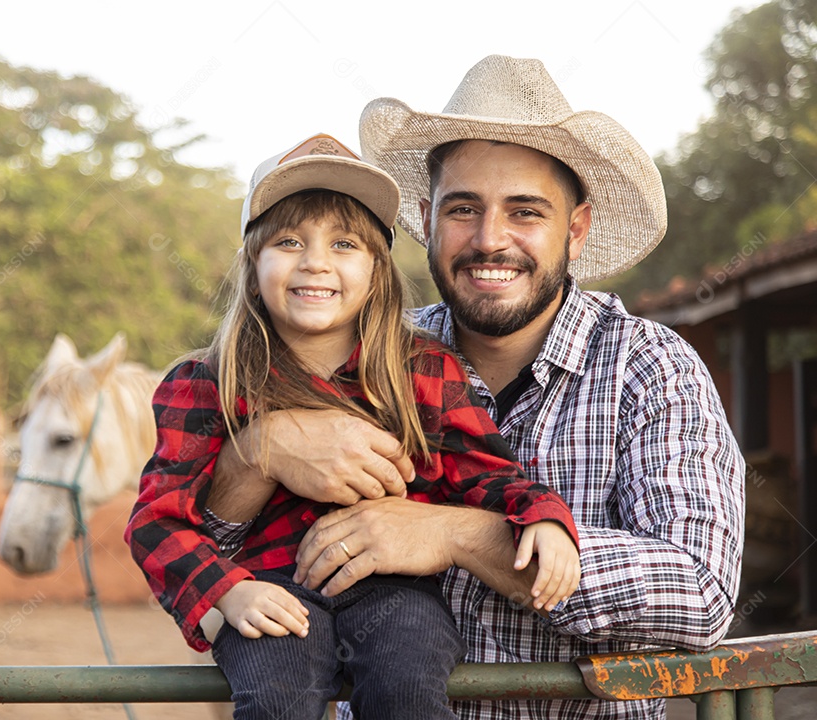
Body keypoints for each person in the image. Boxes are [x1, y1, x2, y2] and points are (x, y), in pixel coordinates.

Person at [202, 57, 746, 720]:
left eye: (525, 212)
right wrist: (260, 449)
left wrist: (461, 536)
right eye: (464, 209)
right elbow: (205, 555)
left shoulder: (651, 367)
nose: (491, 240)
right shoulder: (356, 358)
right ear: (428, 218)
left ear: (575, 229)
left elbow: (701, 596)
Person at [125, 132, 581, 720]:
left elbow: (487, 473)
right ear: (252, 261)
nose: (315, 261)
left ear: (376, 271)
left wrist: (544, 516)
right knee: (276, 698)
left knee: (409, 685)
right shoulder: (206, 381)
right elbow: (157, 521)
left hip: (393, 588)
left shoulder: (421, 369)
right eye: (289, 241)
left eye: (344, 244)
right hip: (269, 588)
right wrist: (226, 591)